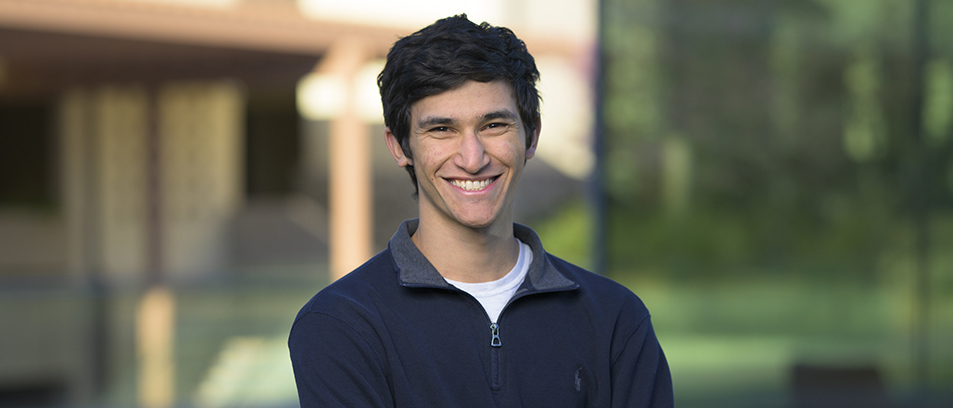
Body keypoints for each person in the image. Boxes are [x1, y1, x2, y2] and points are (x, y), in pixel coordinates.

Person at [288, 14, 673, 407]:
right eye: (442, 129)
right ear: (400, 146)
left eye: (493, 125)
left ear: (531, 135)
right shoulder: (340, 326)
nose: (472, 159)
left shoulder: (615, 319)